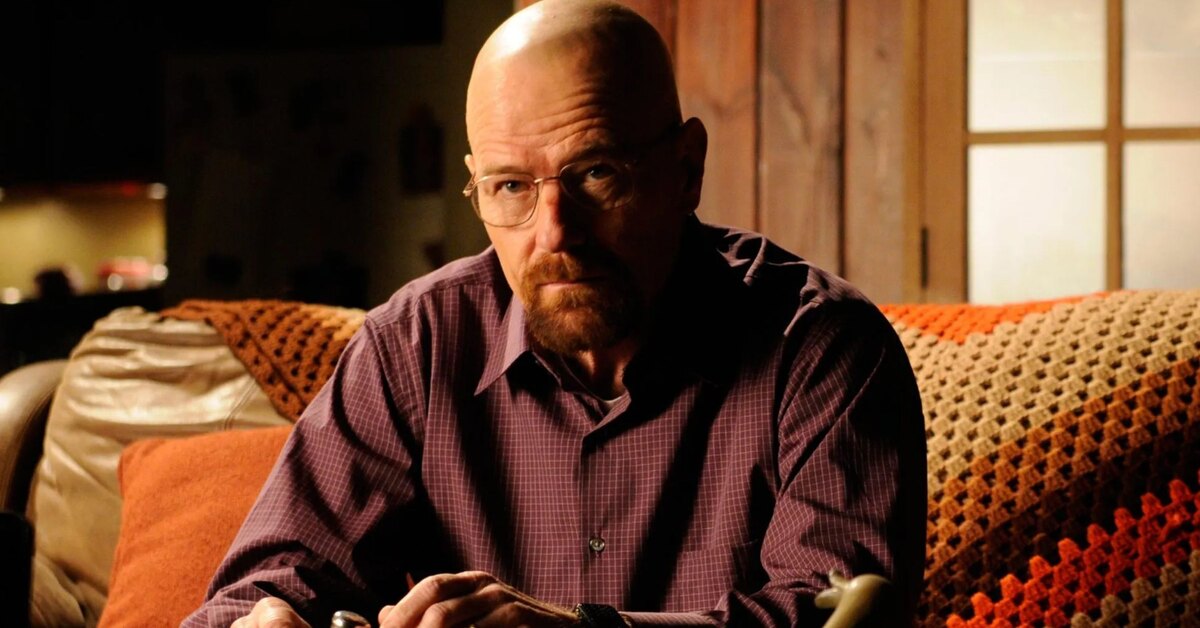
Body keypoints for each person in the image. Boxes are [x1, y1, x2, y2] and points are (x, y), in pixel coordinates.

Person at [185, 1, 926, 626]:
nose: (554, 234)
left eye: (597, 173)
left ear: (686, 169)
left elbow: (841, 612)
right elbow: (261, 588)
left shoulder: (822, 348)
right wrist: (268, 616)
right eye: (511, 186)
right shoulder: (413, 348)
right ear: (477, 185)